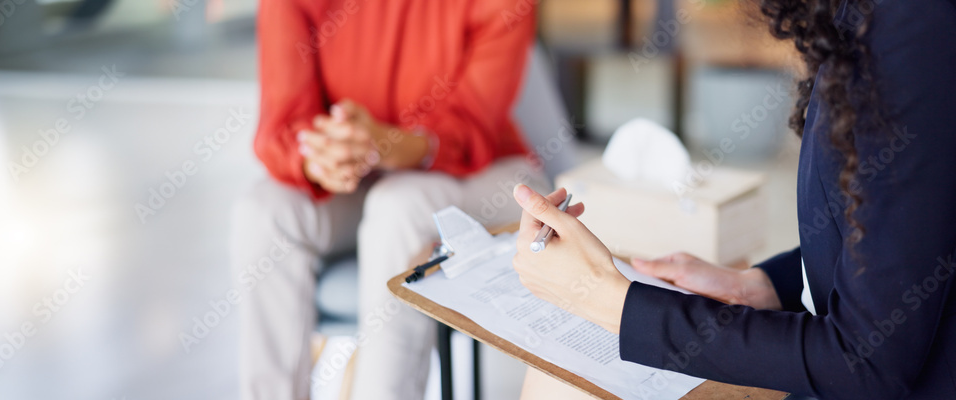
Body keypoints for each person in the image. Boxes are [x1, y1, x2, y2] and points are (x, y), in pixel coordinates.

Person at [511, 0, 956, 398]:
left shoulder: (912, 26)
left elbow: (869, 364)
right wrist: (763, 285)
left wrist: (611, 304)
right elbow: (905, 230)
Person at [229, 0, 550, 399]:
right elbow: (283, 123)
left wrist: (390, 144)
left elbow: (473, 126)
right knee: (262, 211)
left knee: (399, 204)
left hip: (481, 172)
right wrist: (320, 158)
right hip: (357, 176)